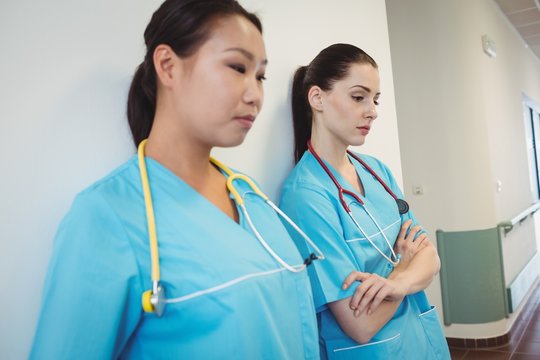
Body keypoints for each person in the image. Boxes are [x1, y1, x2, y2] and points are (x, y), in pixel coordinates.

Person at [30, 1, 320, 358]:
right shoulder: (107, 217)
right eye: (237, 67)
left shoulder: (249, 195)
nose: (254, 95)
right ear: (168, 66)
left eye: (260, 76)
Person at [279, 43, 451, 359]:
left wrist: (396, 283)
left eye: (375, 99)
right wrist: (403, 273)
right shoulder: (306, 196)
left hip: (420, 343)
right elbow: (360, 323)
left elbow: (431, 259)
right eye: (359, 97)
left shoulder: (377, 171)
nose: (372, 110)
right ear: (317, 98)